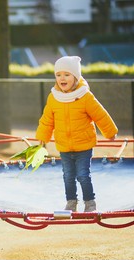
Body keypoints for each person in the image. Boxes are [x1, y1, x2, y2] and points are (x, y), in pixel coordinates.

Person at [35, 56, 118, 212]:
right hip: (64, 146)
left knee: (83, 175)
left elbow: (100, 115)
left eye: (67, 74)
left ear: (76, 77)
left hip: (83, 146)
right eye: (58, 75)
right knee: (68, 177)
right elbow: (47, 120)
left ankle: (90, 202)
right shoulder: (54, 97)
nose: (62, 78)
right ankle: (71, 202)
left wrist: (110, 131)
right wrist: (42, 137)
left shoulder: (85, 96)